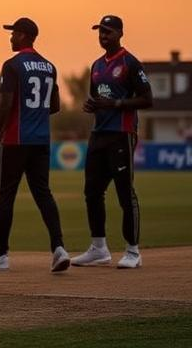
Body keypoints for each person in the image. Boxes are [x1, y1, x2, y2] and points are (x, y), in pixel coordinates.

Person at [0, 18, 70, 273]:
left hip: (16, 140)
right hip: (41, 140)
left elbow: (5, 104)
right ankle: (59, 248)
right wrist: (36, 115)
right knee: (43, 193)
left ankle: (0, 255)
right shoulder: (50, 67)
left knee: (6, 195)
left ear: (24, 35)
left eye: (14, 33)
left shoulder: (13, 65)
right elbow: (56, 106)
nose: (10, 38)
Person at [72, 15, 152, 269]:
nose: (102, 36)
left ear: (119, 33)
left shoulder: (130, 63)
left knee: (124, 193)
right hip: (99, 134)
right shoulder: (96, 65)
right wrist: (92, 106)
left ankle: (133, 251)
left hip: (122, 133)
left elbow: (147, 99)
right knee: (92, 192)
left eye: (107, 32)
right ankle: (99, 248)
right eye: (100, 32)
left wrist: (115, 104)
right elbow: (98, 98)